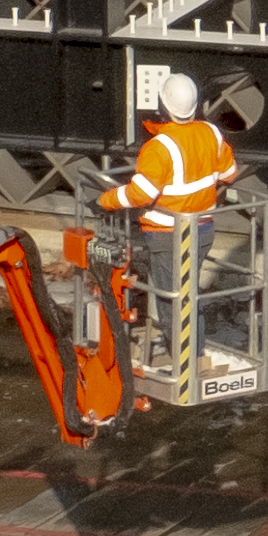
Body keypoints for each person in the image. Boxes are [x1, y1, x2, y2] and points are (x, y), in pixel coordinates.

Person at [98, 67, 238, 383]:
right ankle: (193, 355)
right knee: (188, 293)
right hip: (202, 228)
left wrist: (107, 199)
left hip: (165, 232)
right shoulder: (212, 134)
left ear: (163, 106)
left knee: (171, 298)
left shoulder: (160, 147)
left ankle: (185, 363)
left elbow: (141, 193)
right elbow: (229, 173)